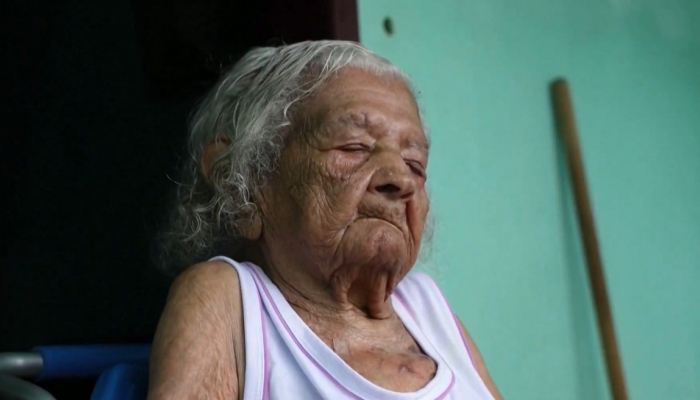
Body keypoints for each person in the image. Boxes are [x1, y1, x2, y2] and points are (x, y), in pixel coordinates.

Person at [148, 40, 503, 400]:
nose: (400, 179)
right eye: (354, 147)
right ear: (244, 182)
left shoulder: (429, 310)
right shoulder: (227, 299)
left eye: (415, 165)